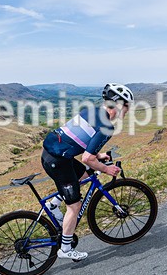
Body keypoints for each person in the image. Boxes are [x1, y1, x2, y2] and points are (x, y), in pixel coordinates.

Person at [41, 83, 133, 261]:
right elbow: (86, 158)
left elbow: (81, 141)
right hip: (59, 161)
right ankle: (66, 249)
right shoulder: (106, 126)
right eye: (127, 106)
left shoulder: (91, 111)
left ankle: (53, 204)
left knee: (85, 175)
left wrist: (98, 155)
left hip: (53, 154)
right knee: (74, 206)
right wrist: (107, 169)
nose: (127, 111)